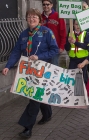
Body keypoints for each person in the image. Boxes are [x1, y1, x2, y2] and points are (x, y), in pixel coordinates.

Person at [2, 8, 58, 138]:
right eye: (29, 17)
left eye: (34, 17)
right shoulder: (23, 34)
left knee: (34, 98)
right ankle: (48, 114)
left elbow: (54, 50)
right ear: (26, 19)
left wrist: (40, 57)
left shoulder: (46, 33)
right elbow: (16, 51)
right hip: (28, 72)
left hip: (43, 71)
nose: (31, 19)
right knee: (39, 96)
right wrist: (8, 66)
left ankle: (28, 127)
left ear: (39, 19)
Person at [41, 0, 66, 66]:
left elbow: (63, 32)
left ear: (51, 5)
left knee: (54, 67)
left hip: (55, 47)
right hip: (43, 48)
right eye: (44, 4)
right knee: (44, 67)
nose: (46, 6)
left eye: (47, 4)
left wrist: (62, 46)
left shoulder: (58, 16)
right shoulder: (40, 17)